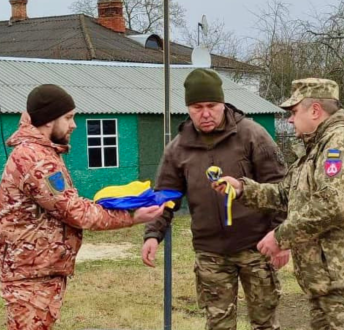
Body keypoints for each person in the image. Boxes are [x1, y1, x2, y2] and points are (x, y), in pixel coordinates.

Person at [213, 78, 344, 330]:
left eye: (294, 112)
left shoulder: (342, 143)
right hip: (328, 284)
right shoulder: (314, 150)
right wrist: (244, 188)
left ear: (315, 110)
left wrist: (280, 237)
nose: (289, 119)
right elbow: (286, 195)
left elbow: (333, 205)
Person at [0, 84, 165, 330]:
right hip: (30, 274)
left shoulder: (44, 153)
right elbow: (75, 212)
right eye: (68, 118)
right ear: (47, 121)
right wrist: (132, 215)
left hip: (37, 269)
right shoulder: (35, 160)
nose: (74, 124)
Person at [141, 68, 287, 330]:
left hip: (256, 246)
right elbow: (164, 198)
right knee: (218, 324)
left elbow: (280, 187)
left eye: (211, 105)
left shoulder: (252, 134)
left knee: (265, 323)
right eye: (197, 107)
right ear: (188, 108)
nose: (205, 113)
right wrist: (153, 235)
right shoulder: (178, 148)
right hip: (210, 252)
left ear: (223, 104)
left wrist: (280, 237)